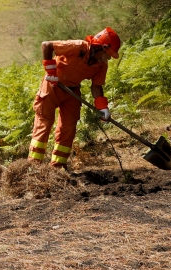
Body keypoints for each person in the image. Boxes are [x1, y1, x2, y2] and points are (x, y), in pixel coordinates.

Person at [29, 27, 122, 168]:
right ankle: (33, 167)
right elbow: (46, 45)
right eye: (107, 53)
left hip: (72, 91)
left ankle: (58, 167)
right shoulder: (78, 47)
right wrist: (50, 70)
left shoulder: (101, 65)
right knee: (44, 123)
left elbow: (96, 86)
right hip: (53, 85)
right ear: (99, 47)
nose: (108, 57)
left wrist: (102, 107)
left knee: (68, 128)